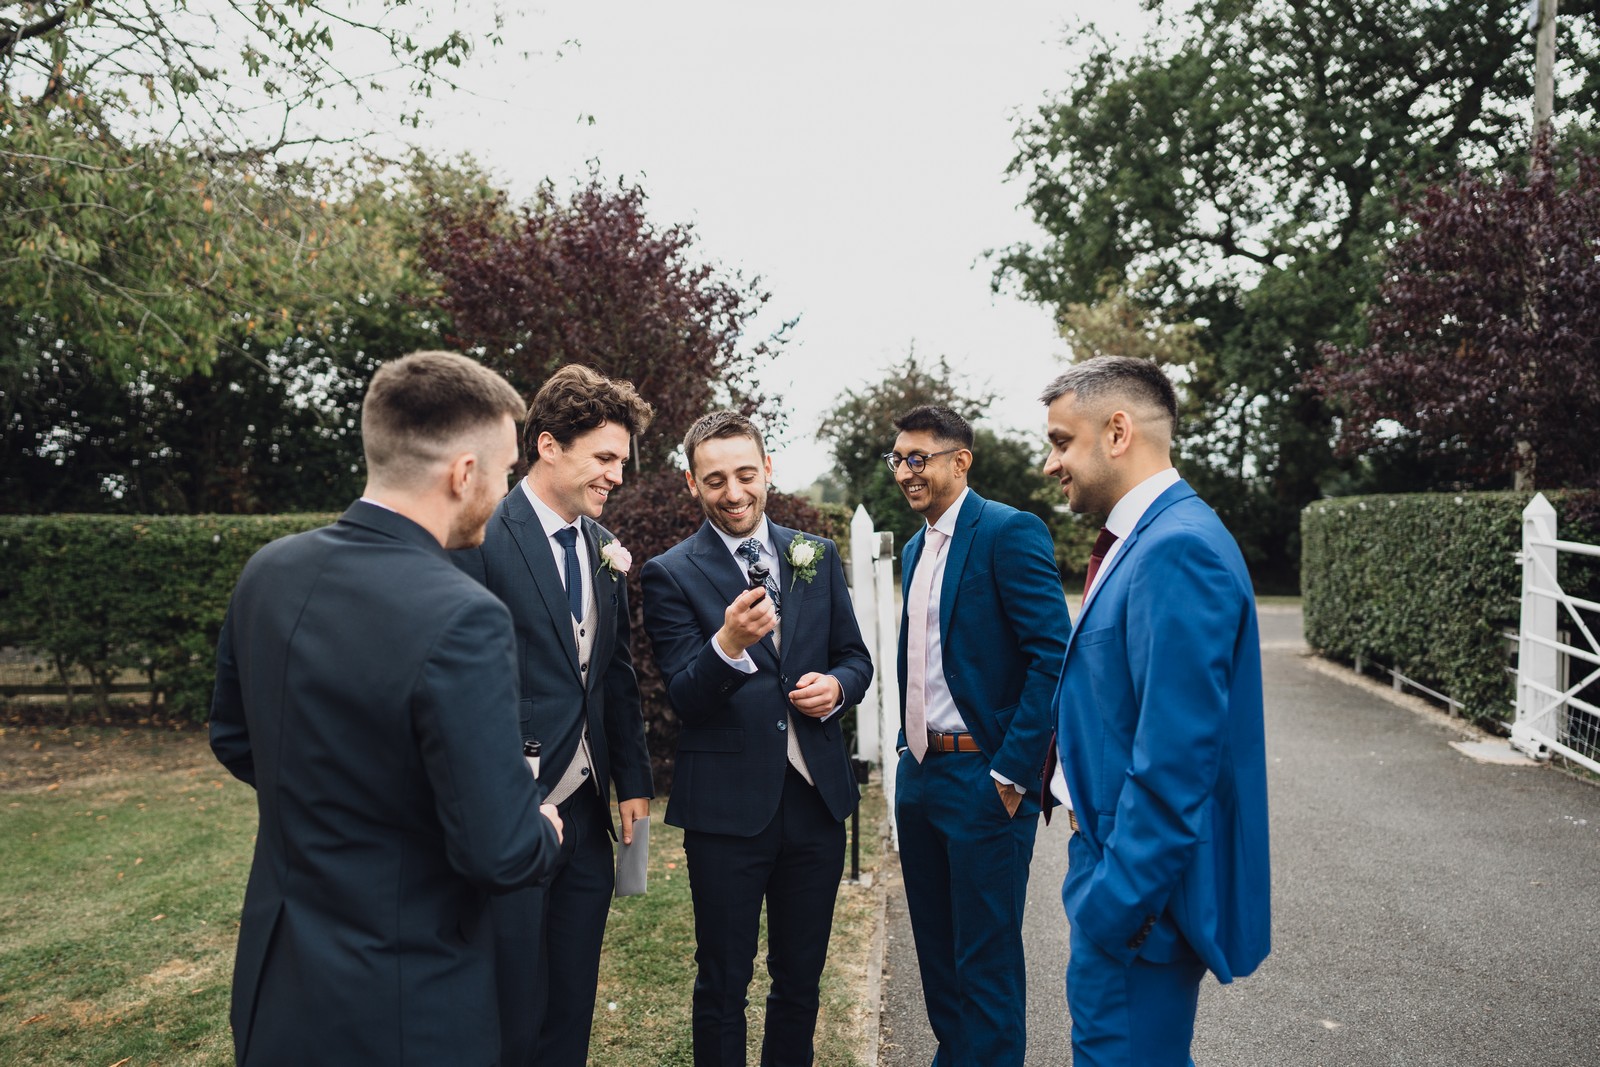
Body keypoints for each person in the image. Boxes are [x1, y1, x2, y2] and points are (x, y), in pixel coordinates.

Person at [209, 350, 565, 1065]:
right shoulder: (466, 615)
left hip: (278, 987)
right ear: (463, 473)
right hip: (404, 1002)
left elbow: (234, 736)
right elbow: (496, 850)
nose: (502, 492)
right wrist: (545, 829)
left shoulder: (269, 572)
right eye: (502, 473)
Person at [1040, 356, 1271, 1066]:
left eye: (1060, 440)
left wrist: (1113, 908)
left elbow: (1176, 762)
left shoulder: (1177, 548)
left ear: (1117, 431)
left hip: (1139, 903)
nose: (1050, 465)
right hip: (1114, 874)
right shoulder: (1145, 537)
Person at [640, 411, 873, 1067]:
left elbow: (856, 656)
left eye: (746, 473)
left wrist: (838, 685)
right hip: (726, 811)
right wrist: (727, 645)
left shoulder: (815, 554)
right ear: (692, 483)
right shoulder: (670, 573)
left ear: (768, 468)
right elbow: (685, 696)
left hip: (816, 804)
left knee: (800, 982)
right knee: (722, 981)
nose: (734, 492)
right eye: (715, 479)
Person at [452, 363, 656, 1067]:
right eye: (604, 458)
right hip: (514, 812)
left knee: (571, 1002)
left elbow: (614, 676)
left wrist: (633, 781)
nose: (616, 477)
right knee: (512, 1006)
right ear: (547, 446)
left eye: (621, 462)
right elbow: (460, 685)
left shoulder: (602, 548)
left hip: (589, 819)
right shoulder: (481, 537)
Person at [888, 404, 1069, 1066]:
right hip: (922, 776)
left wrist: (1012, 772)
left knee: (985, 961)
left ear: (959, 460)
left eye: (918, 457)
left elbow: (1054, 653)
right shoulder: (914, 547)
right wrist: (909, 757)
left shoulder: (1008, 531)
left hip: (985, 779)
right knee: (937, 957)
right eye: (898, 458)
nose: (905, 471)